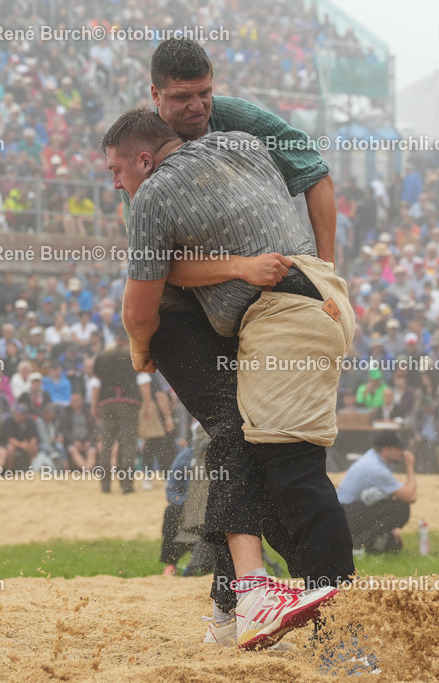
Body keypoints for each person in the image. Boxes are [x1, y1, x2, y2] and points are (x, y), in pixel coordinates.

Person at [107, 107, 351, 650]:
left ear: (144, 160)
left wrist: (139, 346)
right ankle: (237, 604)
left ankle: (338, 635)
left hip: (286, 313)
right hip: (310, 303)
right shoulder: (241, 142)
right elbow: (314, 175)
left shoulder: (153, 195)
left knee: (291, 474)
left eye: (116, 172)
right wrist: (244, 266)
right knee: (248, 449)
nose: (115, 184)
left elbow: (140, 306)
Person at [337, 431, 416, 555]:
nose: (403, 452)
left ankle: (361, 543)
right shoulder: (375, 467)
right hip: (346, 514)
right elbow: (410, 496)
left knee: (394, 546)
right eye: (399, 448)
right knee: (402, 509)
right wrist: (410, 466)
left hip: (349, 511)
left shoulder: (376, 458)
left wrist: (390, 528)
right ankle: (358, 545)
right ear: (386, 450)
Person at [91, 330, 147, 493]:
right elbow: (143, 381)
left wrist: (94, 405)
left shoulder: (102, 356)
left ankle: (105, 485)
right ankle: (127, 486)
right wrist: (147, 404)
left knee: (106, 445)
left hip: (106, 403)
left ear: (116, 339)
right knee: (129, 444)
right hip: (128, 404)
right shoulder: (133, 355)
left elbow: (95, 384)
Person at [160, 442, 197, 576]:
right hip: (186, 507)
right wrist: (185, 504)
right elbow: (171, 491)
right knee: (171, 511)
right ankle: (170, 563)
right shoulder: (186, 456)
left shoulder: (222, 455)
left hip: (212, 509)